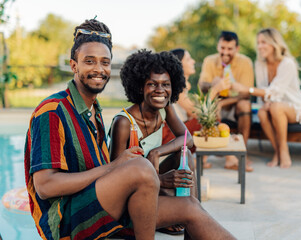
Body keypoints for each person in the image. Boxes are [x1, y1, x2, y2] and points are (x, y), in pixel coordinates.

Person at [23, 19, 235, 240]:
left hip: (99, 201)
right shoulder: (52, 111)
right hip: (67, 220)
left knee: (189, 206)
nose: (99, 68)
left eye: (105, 62)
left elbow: (110, 175)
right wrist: (117, 166)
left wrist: (134, 173)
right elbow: (45, 186)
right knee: (140, 167)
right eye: (89, 61)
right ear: (74, 65)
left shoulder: (93, 110)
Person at [108, 49, 236, 239]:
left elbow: (187, 139)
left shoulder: (164, 108)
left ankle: (190, 221)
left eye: (166, 84)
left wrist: (157, 153)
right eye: (152, 84)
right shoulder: (124, 123)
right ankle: (190, 214)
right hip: (130, 201)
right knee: (190, 206)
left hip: (150, 183)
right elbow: (116, 180)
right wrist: (159, 180)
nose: (160, 90)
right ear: (139, 87)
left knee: (185, 155)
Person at [231, 27, 301, 168]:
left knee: (276, 107)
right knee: (262, 112)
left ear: (274, 43)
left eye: (264, 42)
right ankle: (278, 151)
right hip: (273, 104)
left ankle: (283, 150)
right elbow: (264, 91)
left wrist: (246, 89)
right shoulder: (260, 63)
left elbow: (275, 92)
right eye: (258, 42)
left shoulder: (288, 63)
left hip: (294, 106)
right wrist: (266, 101)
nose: (260, 46)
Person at [199, 30, 254, 172]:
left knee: (245, 105)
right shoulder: (209, 61)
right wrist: (213, 84)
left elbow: (246, 94)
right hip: (215, 100)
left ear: (237, 49)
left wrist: (222, 103)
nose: (225, 52)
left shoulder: (245, 62)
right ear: (218, 46)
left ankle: (242, 151)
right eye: (222, 48)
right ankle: (222, 152)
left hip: (235, 102)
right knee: (209, 108)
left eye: (230, 49)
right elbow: (202, 86)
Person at [161, 48, 212, 169]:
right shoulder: (175, 86)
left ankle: (201, 159)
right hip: (169, 134)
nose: (193, 61)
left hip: (176, 130)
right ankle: (203, 160)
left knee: (210, 121)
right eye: (188, 59)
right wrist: (214, 91)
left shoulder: (181, 86)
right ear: (179, 65)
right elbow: (198, 114)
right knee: (205, 122)